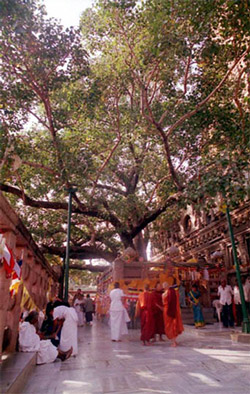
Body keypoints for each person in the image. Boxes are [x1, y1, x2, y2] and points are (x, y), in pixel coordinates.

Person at [162, 281, 184, 347]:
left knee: (170, 325)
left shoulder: (163, 294)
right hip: (173, 310)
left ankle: (173, 341)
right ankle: (174, 341)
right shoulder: (173, 292)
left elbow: (163, 303)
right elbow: (177, 299)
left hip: (166, 310)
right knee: (173, 325)